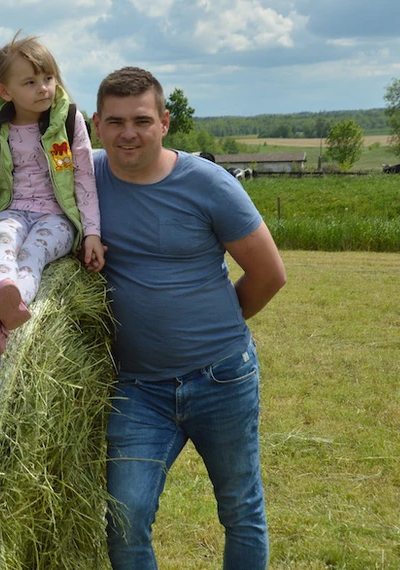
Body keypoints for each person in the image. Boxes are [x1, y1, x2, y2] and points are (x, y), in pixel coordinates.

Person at [91, 66, 287, 569]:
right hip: (137, 388)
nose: (127, 132)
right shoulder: (84, 181)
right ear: (96, 125)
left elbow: (268, 273)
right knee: (124, 514)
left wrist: (212, 331)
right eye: (115, 121)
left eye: (140, 119)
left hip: (222, 376)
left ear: (164, 121)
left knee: (240, 505)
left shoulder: (208, 183)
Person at [0, 34, 104, 355]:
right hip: (13, 210)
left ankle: (4, 310)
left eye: (48, 78)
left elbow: (84, 179)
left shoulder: (67, 120)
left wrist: (91, 233)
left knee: (32, 253)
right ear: (5, 92)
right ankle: (3, 309)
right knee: (1, 243)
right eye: (31, 82)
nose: (44, 88)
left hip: (58, 218)